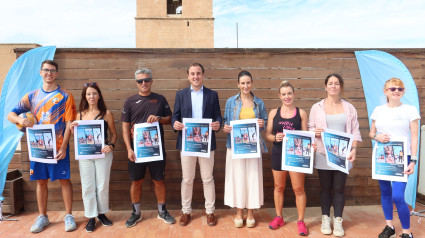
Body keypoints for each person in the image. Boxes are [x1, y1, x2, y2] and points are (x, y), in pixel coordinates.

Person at [7, 60, 77, 233]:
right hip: (38, 145)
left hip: (59, 145)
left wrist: (64, 147)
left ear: (57, 73)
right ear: (40, 72)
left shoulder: (66, 95)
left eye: (52, 70)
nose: (49, 73)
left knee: (64, 180)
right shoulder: (31, 96)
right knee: (41, 181)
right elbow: (10, 114)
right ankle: (42, 216)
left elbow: (69, 123)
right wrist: (20, 120)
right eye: (46, 70)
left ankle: (68, 215)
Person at [308, 73, 362, 237]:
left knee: (339, 188)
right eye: (330, 83)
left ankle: (338, 221)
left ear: (340, 86)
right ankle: (326, 218)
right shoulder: (316, 107)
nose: (333, 86)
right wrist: (314, 132)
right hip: (323, 154)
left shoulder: (349, 108)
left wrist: (354, 149)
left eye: (336, 83)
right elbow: (310, 128)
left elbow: (355, 131)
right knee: (325, 188)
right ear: (325, 87)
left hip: (343, 155)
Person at [121, 68, 175, 228]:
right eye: (140, 81)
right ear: (136, 82)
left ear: (151, 81)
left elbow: (169, 120)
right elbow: (124, 129)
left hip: (156, 149)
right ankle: (136, 213)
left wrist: (159, 119)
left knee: (159, 180)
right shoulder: (129, 101)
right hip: (137, 151)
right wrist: (129, 149)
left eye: (146, 80)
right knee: (136, 181)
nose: (143, 83)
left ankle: (162, 211)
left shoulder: (160, 99)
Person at [172, 63, 222, 226]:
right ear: (188, 76)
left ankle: (210, 212)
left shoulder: (212, 95)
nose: (195, 76)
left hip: (206, 143)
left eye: (198, 73)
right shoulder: (181, 95)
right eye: (192, 74)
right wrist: (176, 124)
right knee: (187, 179)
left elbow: (218, 117)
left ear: (203, 75)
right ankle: (186, 212)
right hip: (187, 143)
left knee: (208, 178)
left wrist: (217, 124)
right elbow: (175, 117)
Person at [369, 78, 420, 238]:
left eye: (400, 88)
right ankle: (389, 226)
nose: (396, 91)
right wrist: (377, 137)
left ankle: (406, 232)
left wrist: (413, 160)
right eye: (392, 89)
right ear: (386, 92)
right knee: (385, 192)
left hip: (402, 158)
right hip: (382, 156)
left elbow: (414, 137)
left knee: (398, 196)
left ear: (403, 91)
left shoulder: (410, 110)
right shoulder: (378, 110)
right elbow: (371, 133)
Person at [70, 83, 117, 232]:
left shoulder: (107, 113)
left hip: (103, 154)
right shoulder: (79, 115)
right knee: (87, 186)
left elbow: (114, 134)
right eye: (89, 94)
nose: (92, 96)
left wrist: (111, 145)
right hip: (85, 155)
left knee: (102, 185)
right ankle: (91, 216)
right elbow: (77, 136)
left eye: (94, 93)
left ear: (99, 96)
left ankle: (102, 214)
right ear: (85, 96)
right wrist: (72, 129)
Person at [223, 71, 267, 228]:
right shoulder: (230, 102)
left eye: (248, 83)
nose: (245, 86)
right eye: (242, 83)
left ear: (252, 83)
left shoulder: (259, 103)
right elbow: (225, 123)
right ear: (238, 84)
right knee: (238, 178)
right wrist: (226, 128)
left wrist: (262, 124)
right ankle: (239, 212)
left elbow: (266, 123)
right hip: (235, 147)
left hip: (253, 147)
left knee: (252, 178)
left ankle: (250, 213)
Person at [265, 81, 309, 236]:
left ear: (294, 94)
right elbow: (268, 134)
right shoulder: (273, 113)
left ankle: (301, 221)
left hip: (296, 156)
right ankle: (279, 217)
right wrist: (275, 137)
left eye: (289, 93)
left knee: (298, 189)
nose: (287, 96)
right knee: (278, 187)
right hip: (278, 153)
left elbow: (306, 137)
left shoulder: (301, 113)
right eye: (284, 94)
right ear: (279, 96)